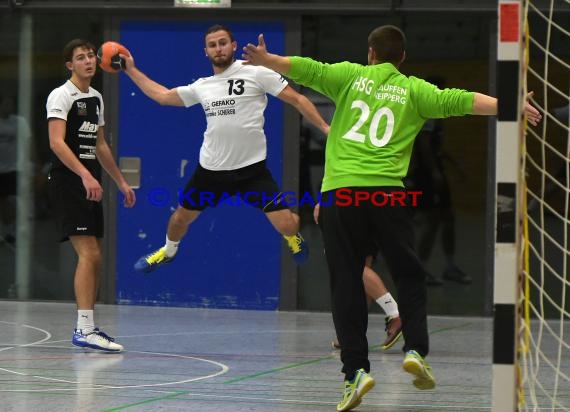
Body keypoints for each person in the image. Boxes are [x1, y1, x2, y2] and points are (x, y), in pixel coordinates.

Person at [242, 25, 541, 411]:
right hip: (386, 194)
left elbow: (306, 68)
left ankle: (355, 373)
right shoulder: (415, 90)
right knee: (409, 273)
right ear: (402, 59)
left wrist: (268, 61)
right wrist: (509, 104)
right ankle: (415, 348)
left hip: (340, 195)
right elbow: (463, 101)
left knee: (346, 283)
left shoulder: (349, 76)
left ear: (370, 53)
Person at [121, 24, 329, 273]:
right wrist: (131, 70)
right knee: (179, 219)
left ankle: (293, 239)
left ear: (233, 46)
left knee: (288, 225)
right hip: (211, 171)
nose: (218, 48)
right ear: (205, 52)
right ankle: (168, 251)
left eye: (222, 42)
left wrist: (326, 129)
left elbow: (298, 99)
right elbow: (163, 96)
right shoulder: (203, 85)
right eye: (212, 45)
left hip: (252, 171)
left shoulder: (256, 73)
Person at [46, 39, 136, 352]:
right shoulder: (61, 95)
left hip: (90, 182)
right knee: (91, 254)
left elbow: (99, 145)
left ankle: (88, 326)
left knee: (95, 255)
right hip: (69, 182)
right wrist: (84, 175)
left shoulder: (96, 98)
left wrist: (121, 182)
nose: (88, 61)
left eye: (90, 56)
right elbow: (57, 142)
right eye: (80, 58)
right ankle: (84, 330)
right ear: (70, 65)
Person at [406, 76, 471, 286]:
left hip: (435, 171)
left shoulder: (437, 114)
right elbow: (424, 145)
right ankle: (420, 268)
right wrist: (434, 173)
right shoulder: (426, 112)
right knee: (431, 221)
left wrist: (453, 165)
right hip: (425, 175)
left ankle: (450, 266)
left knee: (447, 217)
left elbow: (437, 148)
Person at [314, 203, 403, 352]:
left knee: (348, 263)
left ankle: (395, 313)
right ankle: (352, 334)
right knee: (360, 265)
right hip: (372, 203)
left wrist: (324, 200)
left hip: (351, 200)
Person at [0, 94, 30, 246]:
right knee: (3, 202)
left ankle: (15, 231)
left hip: (14, 168)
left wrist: (32, 163)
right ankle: (6, 231)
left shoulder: (19, 122)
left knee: (16, 200)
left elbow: (28, 142)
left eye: (10, 104)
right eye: (6, 103)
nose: (8, 107)